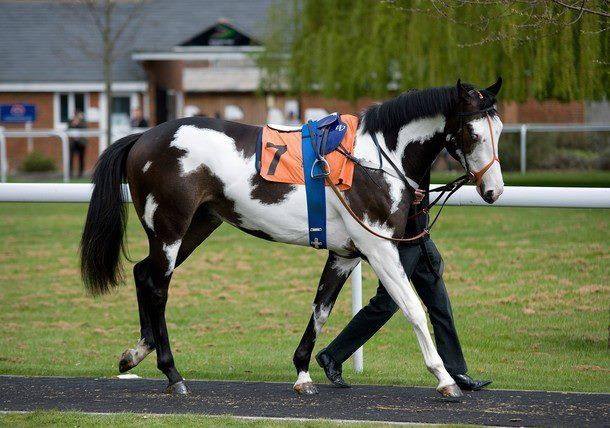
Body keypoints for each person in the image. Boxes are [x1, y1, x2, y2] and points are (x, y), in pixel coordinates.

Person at [316, 187, 492, 392]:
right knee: (385, 306)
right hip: (399, 245)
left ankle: (455, 370)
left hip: (422, 241)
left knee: (440, 305)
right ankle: (332, 355)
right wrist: (406, 193)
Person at [68, 111, 87, 178]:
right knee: (70, 158)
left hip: (81, 143)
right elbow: (68, 130)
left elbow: (85, 130)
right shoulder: (71, 122)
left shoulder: (83, 122)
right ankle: (70, 173)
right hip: (73, 143)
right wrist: (73, 124)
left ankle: (80, 173)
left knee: (81, 158)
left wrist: (78, 124)